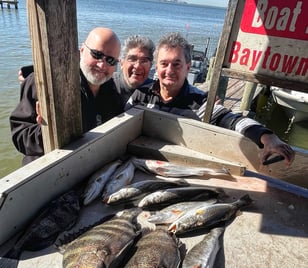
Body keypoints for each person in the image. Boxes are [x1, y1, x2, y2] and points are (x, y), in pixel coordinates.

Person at [126, 32, 295, 166]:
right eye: (164, 63)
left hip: (180, 166)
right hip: (141, 161)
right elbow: (123, 125)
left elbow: (234, 120)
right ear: (157, 66)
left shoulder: (200, 102)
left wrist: (268, 138)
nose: (169, 70)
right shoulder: (141, 94)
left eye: (176, 64)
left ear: (188, 67)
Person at [10, 27, 123, 165]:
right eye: (96, 54)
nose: (102, 64)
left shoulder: (111, 90)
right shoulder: (43, 82)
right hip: (46, 169)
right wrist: (47, 130)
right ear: (82, 50)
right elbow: (19, 136)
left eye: (110, 60)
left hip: (88, 165)